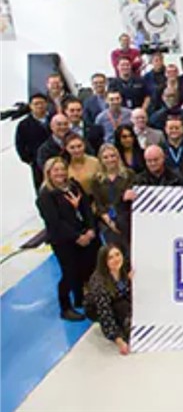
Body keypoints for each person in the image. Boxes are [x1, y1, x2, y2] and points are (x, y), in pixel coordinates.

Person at [37, 157, 100, 321]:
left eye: (62, 169)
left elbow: (86, 208)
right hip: (63, 241)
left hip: (83, 234)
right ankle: (65, 307)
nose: (60, 173)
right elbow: (55, 222)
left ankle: (81, 299)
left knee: (86, 267)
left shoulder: (73, 186)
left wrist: (91, 229)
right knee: (69, 273)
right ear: (48, 173)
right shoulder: (46, 195)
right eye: (56, 170)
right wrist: (76, 237)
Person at [83, 244, 133, 354]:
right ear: (104, 262)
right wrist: (119, 341)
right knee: (122, 311)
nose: (116, 259)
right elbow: (105, 314)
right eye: (110, 258)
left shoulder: (124, 269)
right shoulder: (99, 284)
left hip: (118, 297)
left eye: (117, 254)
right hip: (99, 308)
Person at [90, 144, 134, 247]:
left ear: (118, 157)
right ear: (101, 160)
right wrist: (110, 223)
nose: (110, 160)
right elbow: (99, 204)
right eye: (105, 157)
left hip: (127, 219)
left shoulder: (129, 174)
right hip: (107, 222)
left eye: (112, 156)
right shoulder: (96, 180)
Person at [16, 93, 52, 191]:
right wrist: (30, 160)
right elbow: (20, 145)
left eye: (42, 103)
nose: (39, 106)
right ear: (30, 106)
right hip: (37, 164)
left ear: (46, 104)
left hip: (57, 160)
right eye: (36, 104)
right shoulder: (24, 125)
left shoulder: (54, 118)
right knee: (43, 190)